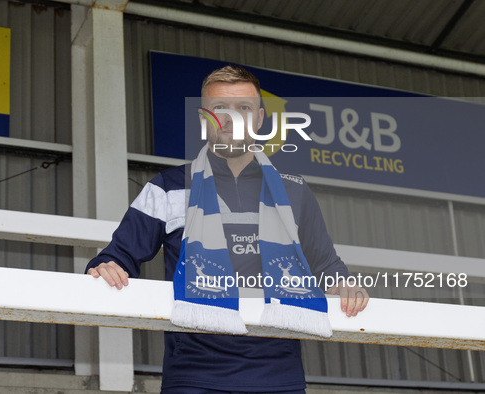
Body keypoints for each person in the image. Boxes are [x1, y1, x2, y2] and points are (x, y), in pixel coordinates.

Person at [86, 65, 369, 393]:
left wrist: (343, 285)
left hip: (278, 375)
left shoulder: (295, 191)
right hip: (193, 374)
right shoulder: (167, 186)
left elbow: (326, 266)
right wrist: (106, 266)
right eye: (220, 108)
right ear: (204, 117)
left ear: (260, 119)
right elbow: (118, 256)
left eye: (244, 109)